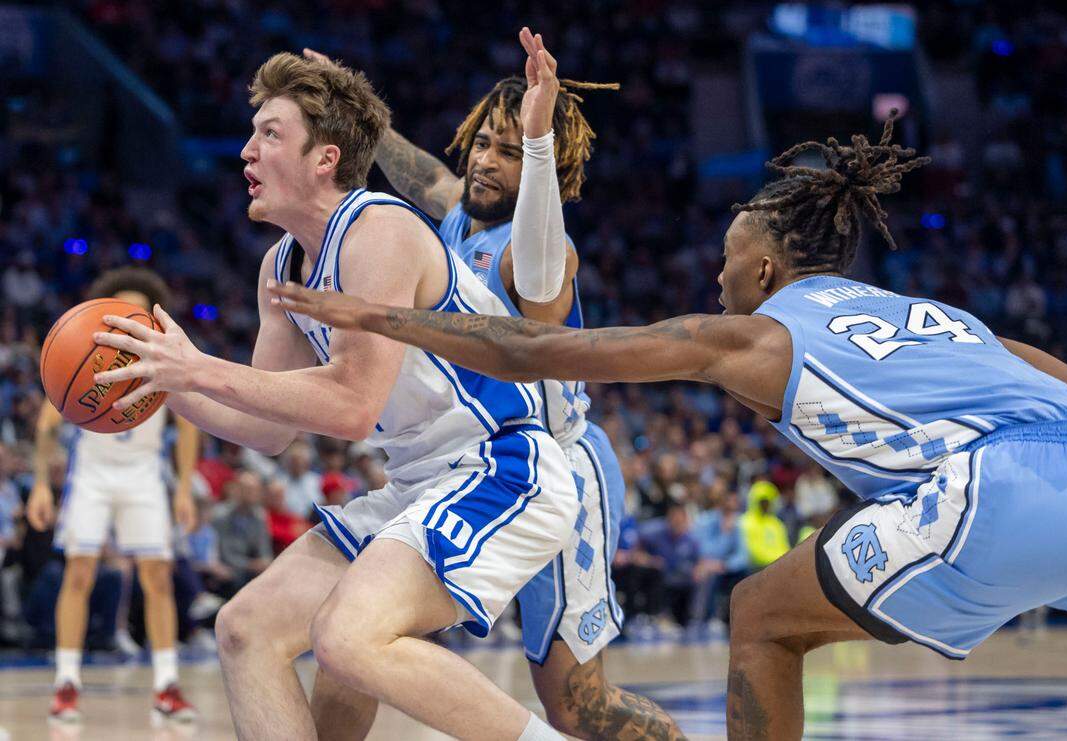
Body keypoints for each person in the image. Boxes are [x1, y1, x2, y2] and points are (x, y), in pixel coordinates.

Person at [269, 111, 1067, 740]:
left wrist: (380, 316)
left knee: (760, 614)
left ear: (763, 270)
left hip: (1000, 490)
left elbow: (534, 348)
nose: (718, 277)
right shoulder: (944, 319)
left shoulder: (760, 334)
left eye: (727, 259)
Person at [92, 49, 578, 740]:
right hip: (420, 482)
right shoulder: (281, 266)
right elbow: (266, 428)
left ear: (325, 158)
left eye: (269, 133)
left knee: (347, 637)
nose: (246, 151)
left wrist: (196, 368)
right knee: (246, 628)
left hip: (502, 464)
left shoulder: (378, 231)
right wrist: (159, 378)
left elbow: (351, 405)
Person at [304, 29, 683, 738]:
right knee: (351, 644)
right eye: (483, 143)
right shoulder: (455, 219)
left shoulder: (539, 252)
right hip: (468, 463)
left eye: (508, 153)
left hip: (553, 468)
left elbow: (538, 285)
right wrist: (353, 108)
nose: (484, 160)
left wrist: (537, 140)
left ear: (541, 166)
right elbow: (422, 174)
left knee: (578, 705)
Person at [26, 267, 200, 724]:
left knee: (157, 578)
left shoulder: (166, 360)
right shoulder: (84, 356)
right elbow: (47, 423)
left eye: (137, 312)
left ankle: (167, 684)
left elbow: (187, 428)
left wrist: (184, 488)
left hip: (145, 474)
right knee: (78, 574)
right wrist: (41, 483)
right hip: (92, 475)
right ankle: (66, 682)